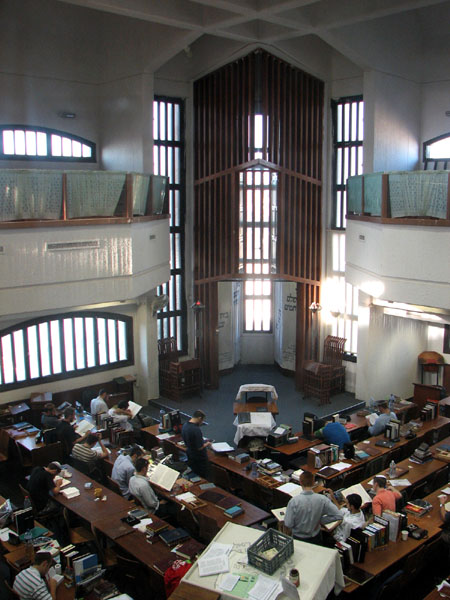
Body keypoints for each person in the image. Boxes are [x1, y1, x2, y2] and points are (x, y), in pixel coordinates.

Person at [284, 471, 342, 544]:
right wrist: (320, 521)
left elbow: (288, 524)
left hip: (298, 539)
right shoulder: (322, 499)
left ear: (300, 482)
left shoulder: (294, 501)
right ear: (313, 483)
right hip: (316, 538)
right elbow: (339, 515)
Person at [181, 410, 211, 479]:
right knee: (202, 475)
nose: (202, 423)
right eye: (202, 420)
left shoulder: (185, 425)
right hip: (199, 457)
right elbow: (199, 447)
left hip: (189, 454)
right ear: (200, 418)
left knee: (194, 473)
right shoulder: (196, 429)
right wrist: (207, 443)